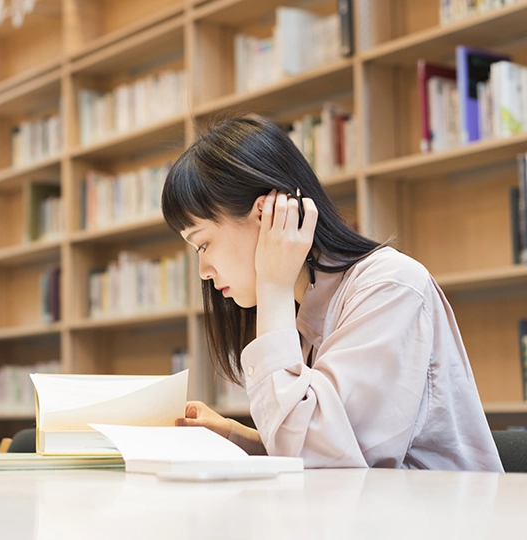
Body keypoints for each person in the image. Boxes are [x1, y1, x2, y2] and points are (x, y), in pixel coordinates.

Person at [161, 114, 503, 471]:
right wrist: (235, 436)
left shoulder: (389, 287)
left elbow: (324, 462)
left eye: (202, 245)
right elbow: (324, 449)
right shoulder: (306, 308)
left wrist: (273, 286)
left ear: (265, 214)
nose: (204, 271)